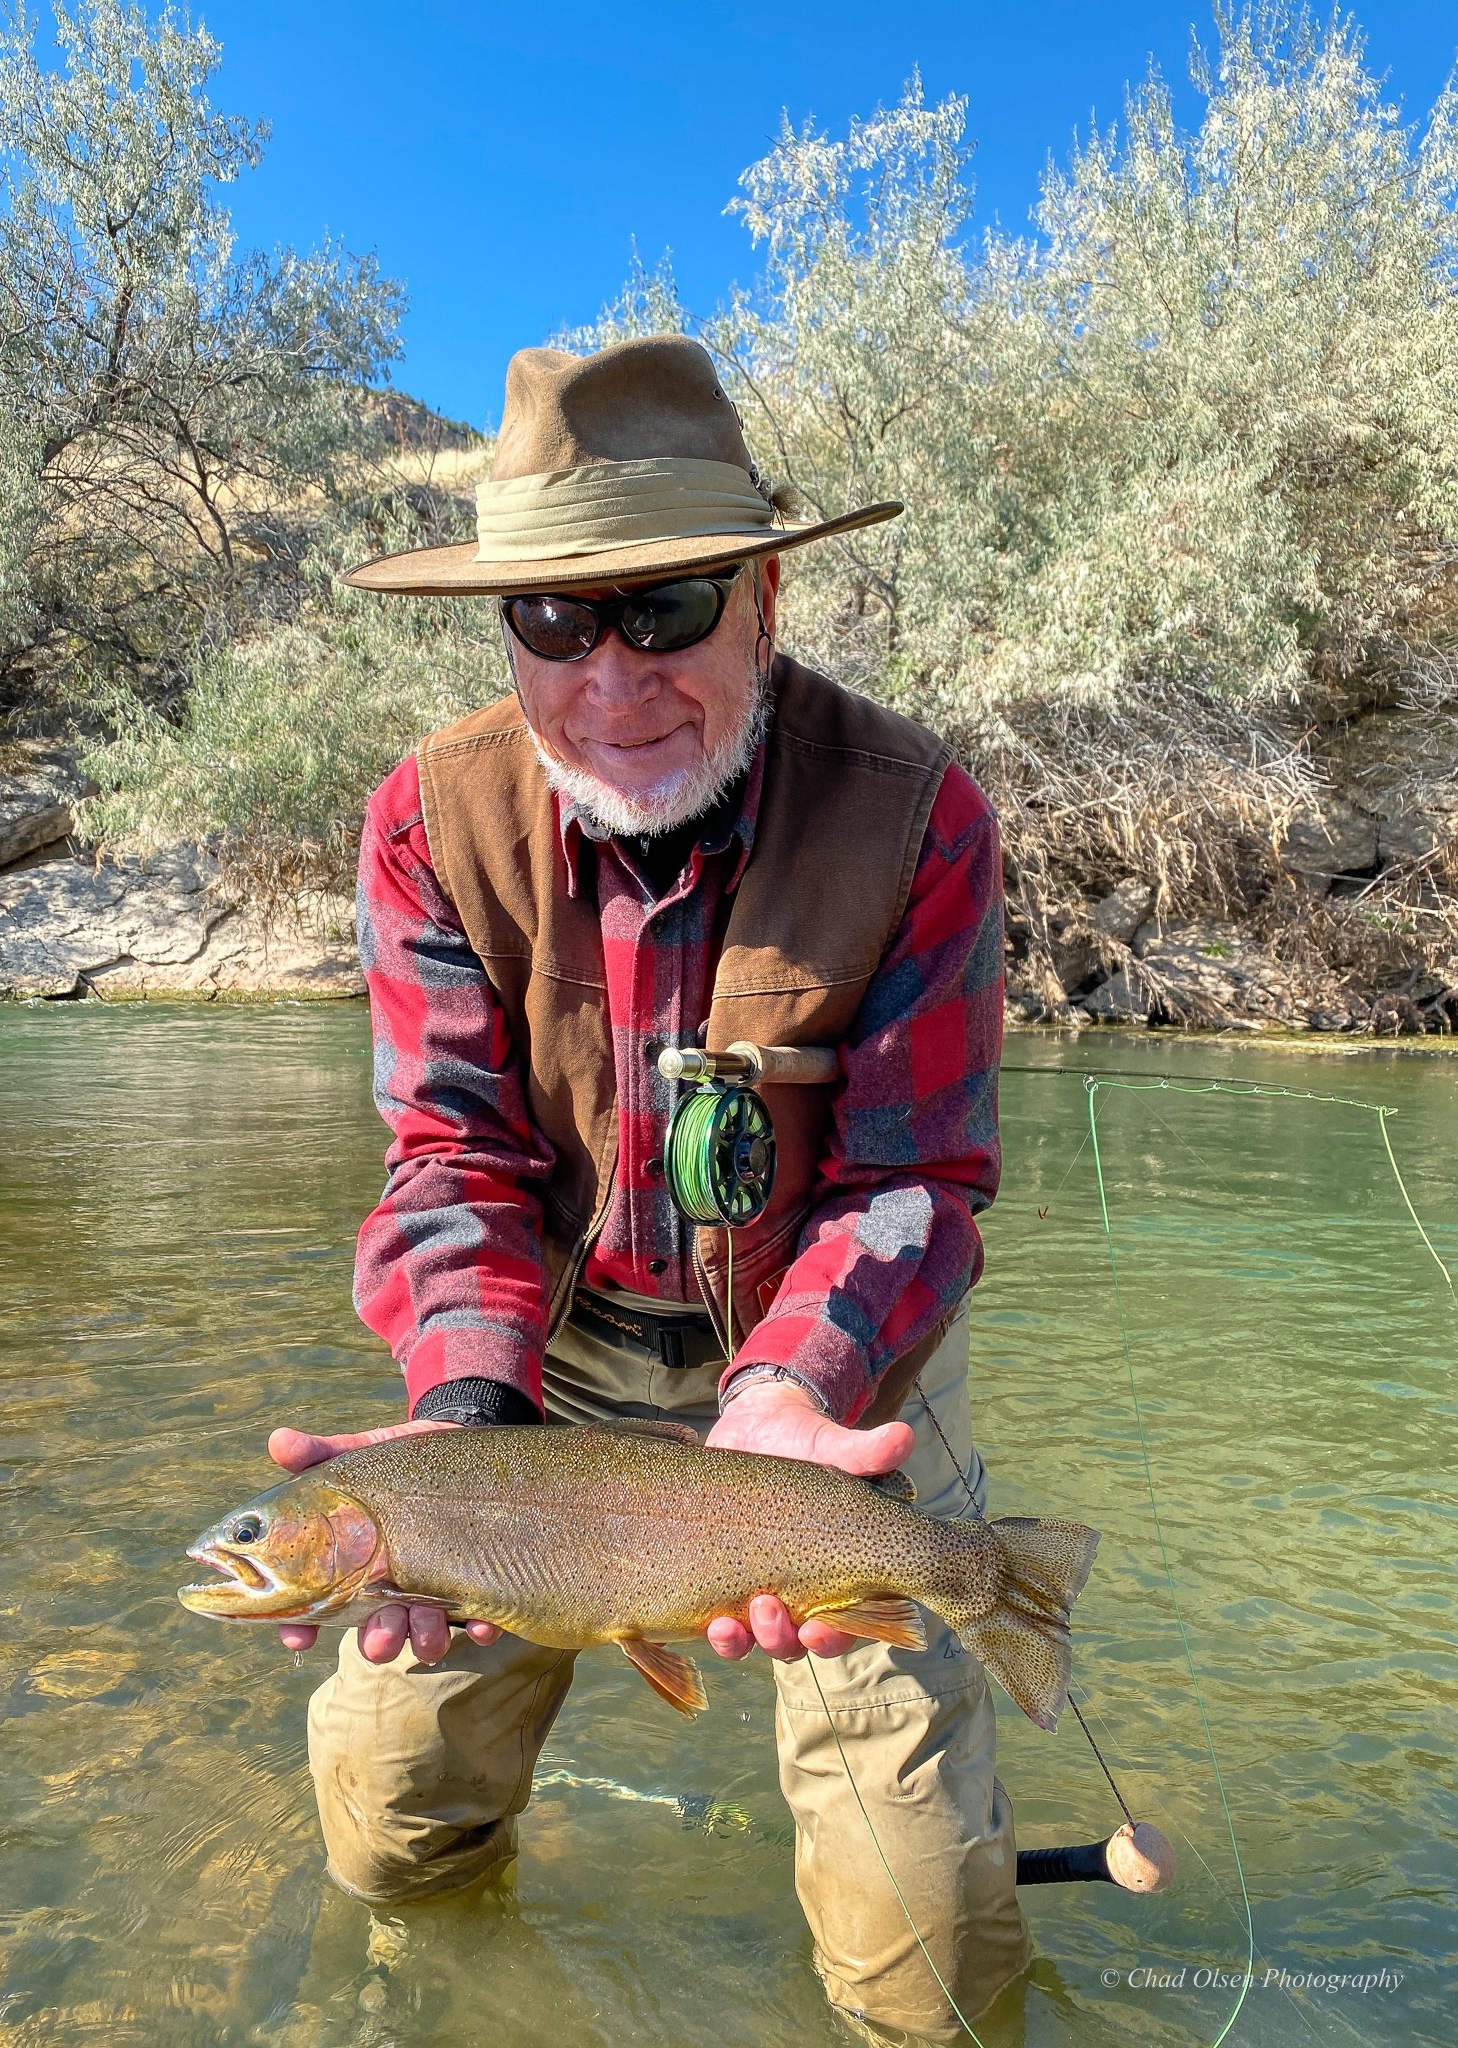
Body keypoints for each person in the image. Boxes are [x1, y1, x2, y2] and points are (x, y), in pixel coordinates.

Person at [273, 334, 1025, 2042]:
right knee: (391, 1813)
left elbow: (915, 1180)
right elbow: (449, 1153)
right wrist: (462, 1434)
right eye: (554, 619)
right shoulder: (426, 822)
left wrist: (789, 1395)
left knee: (923, 1940)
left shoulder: (921, 821)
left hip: (843, 1368)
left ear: (764, 596)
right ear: (506, 630)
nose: (610, 678)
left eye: (668, 608)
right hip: (548, 1358)